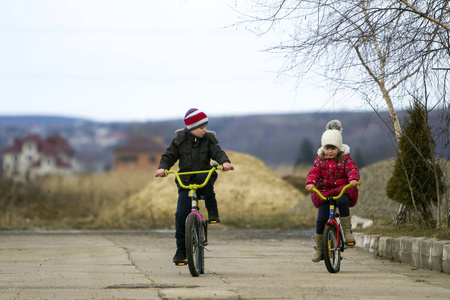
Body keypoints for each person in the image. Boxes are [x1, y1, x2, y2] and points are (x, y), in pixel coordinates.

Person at [155, 108, 234, 264]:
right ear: (191, 128)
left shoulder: (208, 140)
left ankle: (212, 212)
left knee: (204, 176)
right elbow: (169, 156)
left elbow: (218, 152)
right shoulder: (179, 141)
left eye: (205, 126)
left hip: (204, 176)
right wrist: (162, 168)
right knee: (180, 214)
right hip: (186, 180)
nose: (204, 130)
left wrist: (224, 162)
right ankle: (181, 250)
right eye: (201, 127)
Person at [305, 120, 360, 263]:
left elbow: (352, 169)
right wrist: (311, 182)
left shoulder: (345, 159)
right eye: (327, 148)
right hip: (324, 192)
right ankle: (319, 247)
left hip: (341, 190)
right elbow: (314, 172)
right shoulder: (319, 161)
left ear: (339, 148)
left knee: (342, 202)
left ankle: (347, 232)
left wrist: (353, 179)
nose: (329, 151)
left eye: (333, 148)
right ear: (323, 148)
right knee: (321, 219)